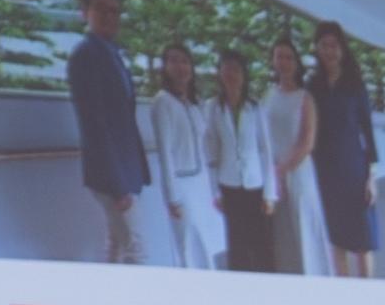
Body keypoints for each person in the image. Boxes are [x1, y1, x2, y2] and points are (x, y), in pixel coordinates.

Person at [68, 0, 149, 264]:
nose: (109, 16)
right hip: (111, 176)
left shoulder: (111, 54)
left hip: (123, 171)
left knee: (116, 243)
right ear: (84, 13)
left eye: (114, 11)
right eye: (101, 9)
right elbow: (95, 124)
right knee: (135, 247)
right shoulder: (86, 55)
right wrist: (118, 186)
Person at [138, 42, 220, 272]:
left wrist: (214, 188)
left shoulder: (194, 104)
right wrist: (172, 197)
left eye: (184, 61)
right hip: (181, 187)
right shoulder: (162, 101)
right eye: (173, 61)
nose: (180, 66)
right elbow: (164, 152)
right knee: (188, 246)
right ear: (164, 67)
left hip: (201, 185)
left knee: (206, 244)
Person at [309, 21, 380, 282]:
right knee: (336, 239)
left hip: (354, 170)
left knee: (362, 241)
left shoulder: (355, 86)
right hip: (325, 172)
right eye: (324, 45)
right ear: (317, 49)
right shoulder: (313, 86)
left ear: (342, 49)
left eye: (334, 46)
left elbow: (368, 133)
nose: (329, 51)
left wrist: (371, 176)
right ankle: (345, 297)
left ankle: (367, 296)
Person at [262, 37, 331, 278]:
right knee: (282, 234)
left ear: (297, 63)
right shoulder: (268, 95)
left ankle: (315, 278)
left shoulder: (305, 98)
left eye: (289, 57)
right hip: (273, 173)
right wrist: (271, 172)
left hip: (298, 172)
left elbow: (307, 142)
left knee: (303, 227)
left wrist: (282, 170)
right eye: (279, 56)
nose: (283, 62)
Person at [206, 50, 276, 273]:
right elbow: (211, 152)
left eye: (236, 69)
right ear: (219, 73)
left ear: (244, 75)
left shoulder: (255, 108)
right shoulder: (213, 108)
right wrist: (215, 192)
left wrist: (269, 193)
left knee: (262, 244)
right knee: (237, 246)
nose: (231, 74)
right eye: (226, 68)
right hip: (230, 186)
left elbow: (266, 150)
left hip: (255, 185)